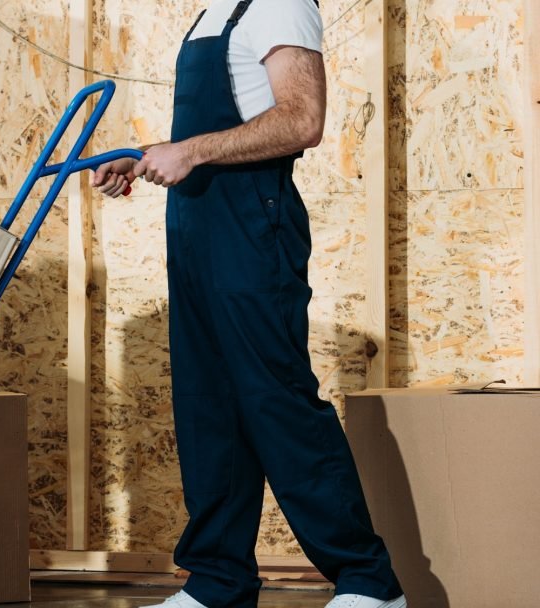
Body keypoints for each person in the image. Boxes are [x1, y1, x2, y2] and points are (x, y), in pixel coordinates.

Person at [91, 1, 406, 607]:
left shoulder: (280, 5)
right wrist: (150, 155)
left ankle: (370, 583)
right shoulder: (212, 14)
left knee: (274, 398)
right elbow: (219, 131)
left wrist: (192, 151)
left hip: (253, 226)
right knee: (208, 406)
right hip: (196, 228)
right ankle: (217, 583)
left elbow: (301, 120)